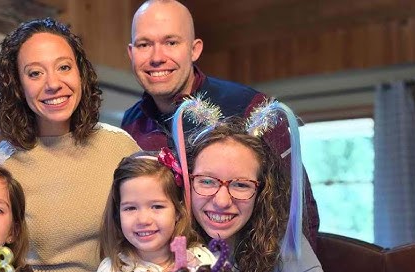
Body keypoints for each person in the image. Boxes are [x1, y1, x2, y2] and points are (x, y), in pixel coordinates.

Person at [121, 0, 320, 250]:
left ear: (194, 50)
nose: (157, 57)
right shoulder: (130, 124)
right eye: (144, 44)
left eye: (171, 43)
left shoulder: (250, 108)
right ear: (131, 53)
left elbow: (299, 212)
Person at [0, 18, 140, 272]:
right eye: (35, 73)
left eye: (64, 67)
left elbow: (155, 235)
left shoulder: (120, 147)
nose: (53, 83)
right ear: (17, 86)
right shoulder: (0, 165)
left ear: (81, 74)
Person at [182, 114, 354, 272]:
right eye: (207, 181)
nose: (221, 201)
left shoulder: (283, 241)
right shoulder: (170, 244)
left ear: (262, 191)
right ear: (187, 182)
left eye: (241, 185)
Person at [77, 150, 216, 272]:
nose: (143, 220)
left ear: (178, 212)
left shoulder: (202, 259)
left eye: (157, 206)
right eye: (130, 208)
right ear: (117, 215)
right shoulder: (112, 269)